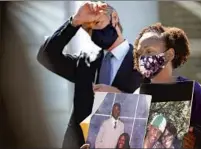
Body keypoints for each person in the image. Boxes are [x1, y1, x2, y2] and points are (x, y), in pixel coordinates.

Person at [37, 1, 142, 148]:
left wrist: (121, 97)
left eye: (97, 22)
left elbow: (155, 109)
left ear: (114, 18)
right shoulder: (85, 62)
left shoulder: (142, 62)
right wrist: (75, 21)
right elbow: (46, 56)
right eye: (88, 29)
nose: (94, 32)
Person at [133, 23, 201, 148]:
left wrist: (195, 140)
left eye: (149, 51)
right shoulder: (136, 96)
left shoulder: (196, 93)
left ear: (169, 54)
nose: (143, 58)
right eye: (140, 54)